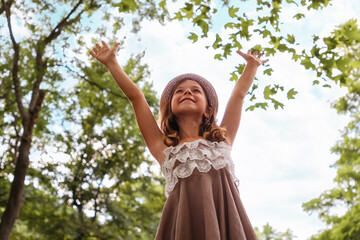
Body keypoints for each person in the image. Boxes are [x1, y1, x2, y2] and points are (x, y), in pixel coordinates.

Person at [90, 41, 268, 240]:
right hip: (184, 227)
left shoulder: (222, 139)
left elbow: (238, 95)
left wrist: (252, 66)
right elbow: (137, 98)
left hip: (226, 224)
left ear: (208, 111)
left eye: (195, 90)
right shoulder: (163, 147)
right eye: (180, 91)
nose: (187, 92)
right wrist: (112, 63)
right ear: (171, 110)